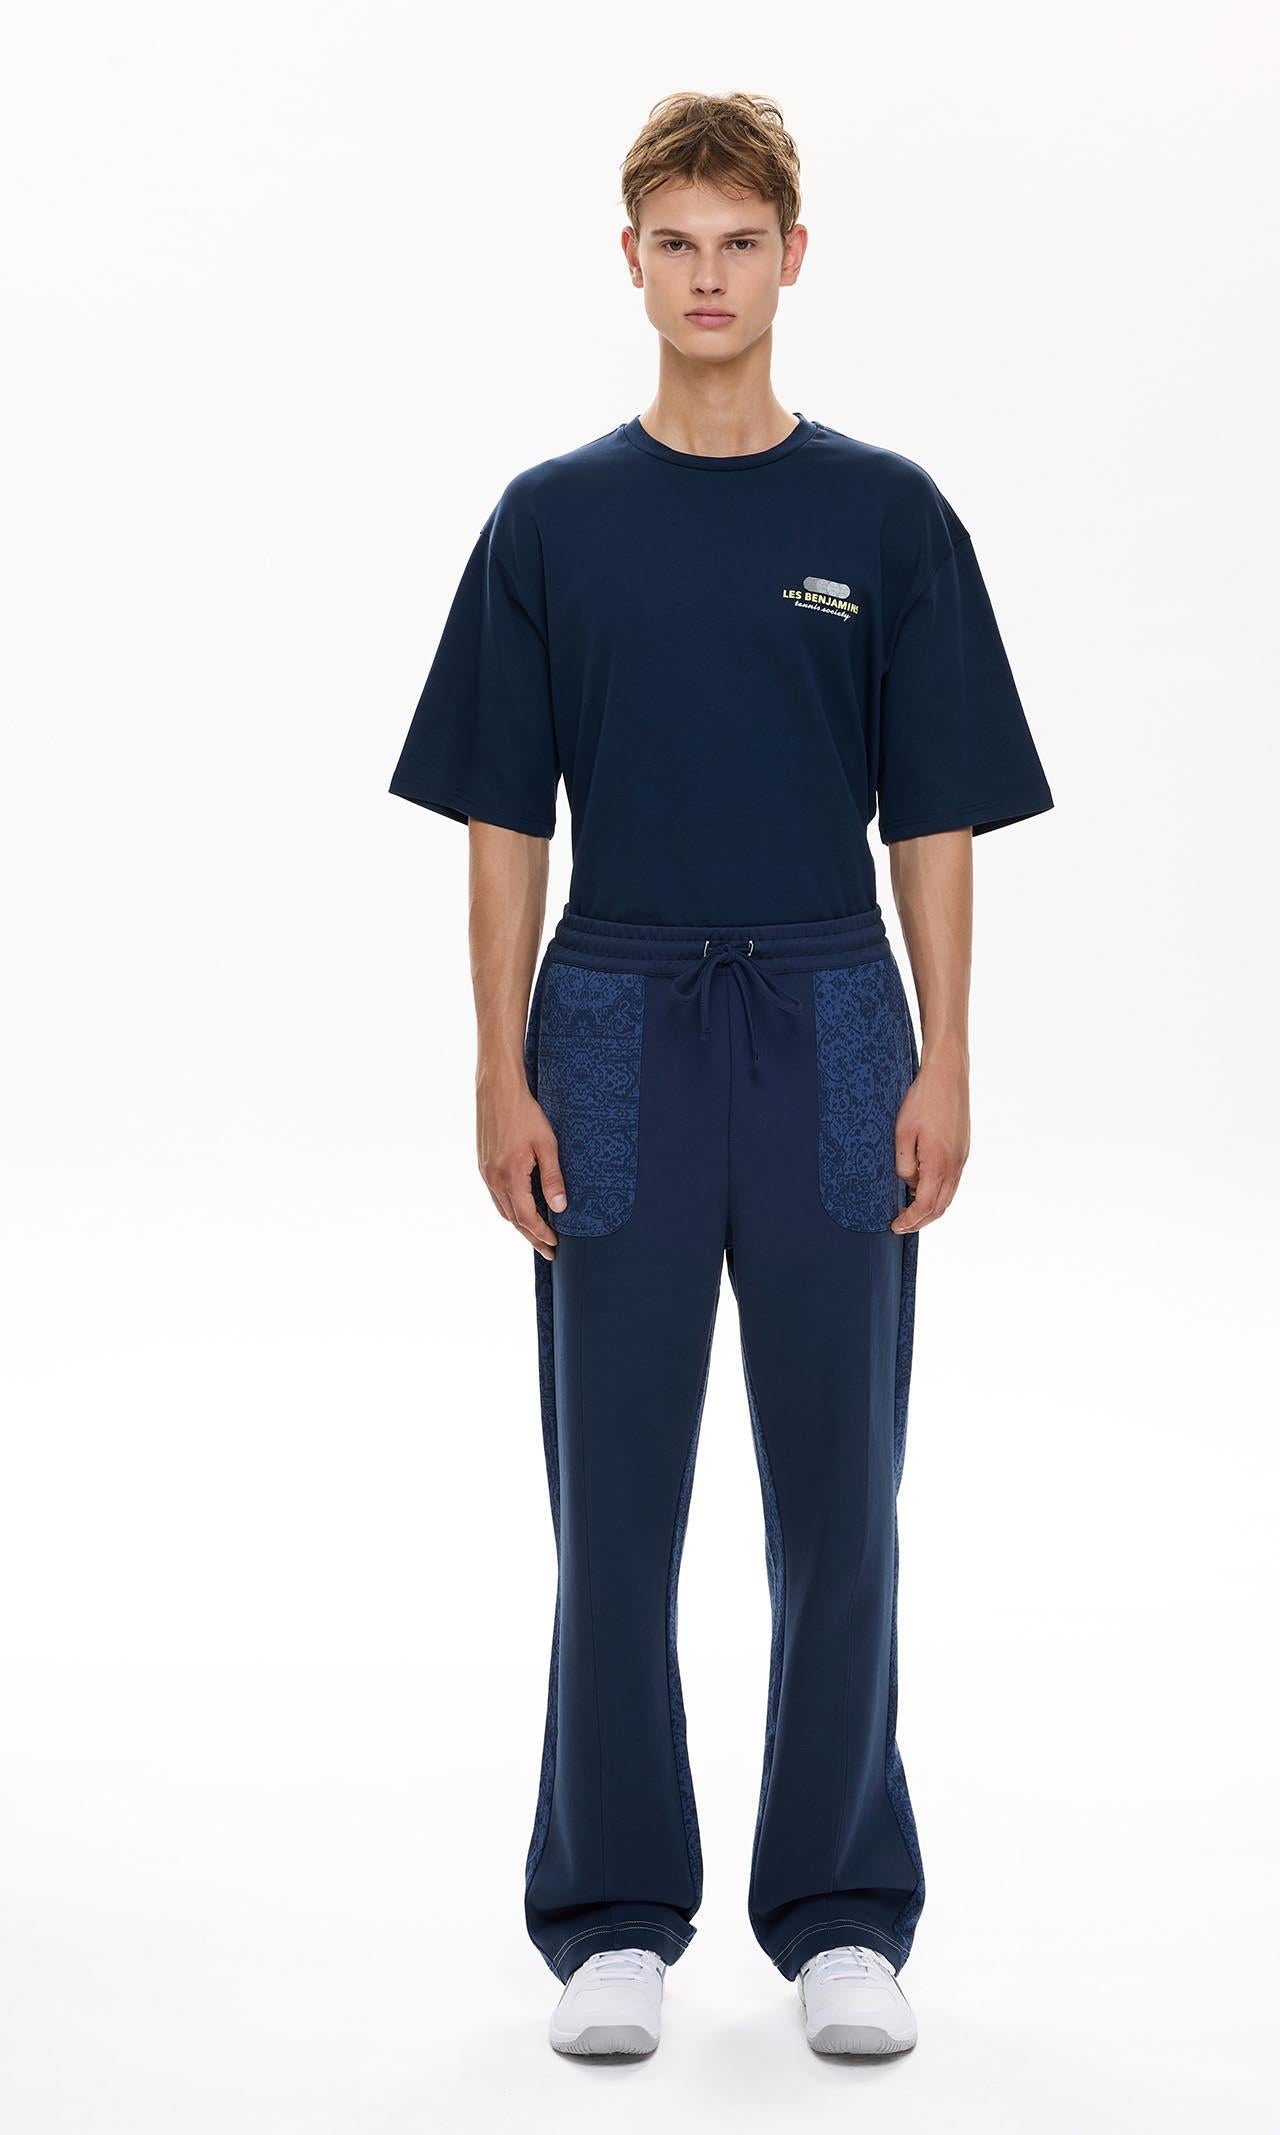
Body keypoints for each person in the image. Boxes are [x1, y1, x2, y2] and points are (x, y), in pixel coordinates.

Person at [389, 89, 1052, 2061]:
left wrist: (944, 1052)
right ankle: (612, 1916)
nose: (706, 276)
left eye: (738, 243)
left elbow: (934, 813)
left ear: (791, 259)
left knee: (843, 1492)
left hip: (836, 1015)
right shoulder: (551, 521)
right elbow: (502, 817)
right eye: (674, 243)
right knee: (616, 1495)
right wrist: (499, 1065)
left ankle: (842, 1913)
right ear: (629, 262)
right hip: (610, 1018)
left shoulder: (884, 517)